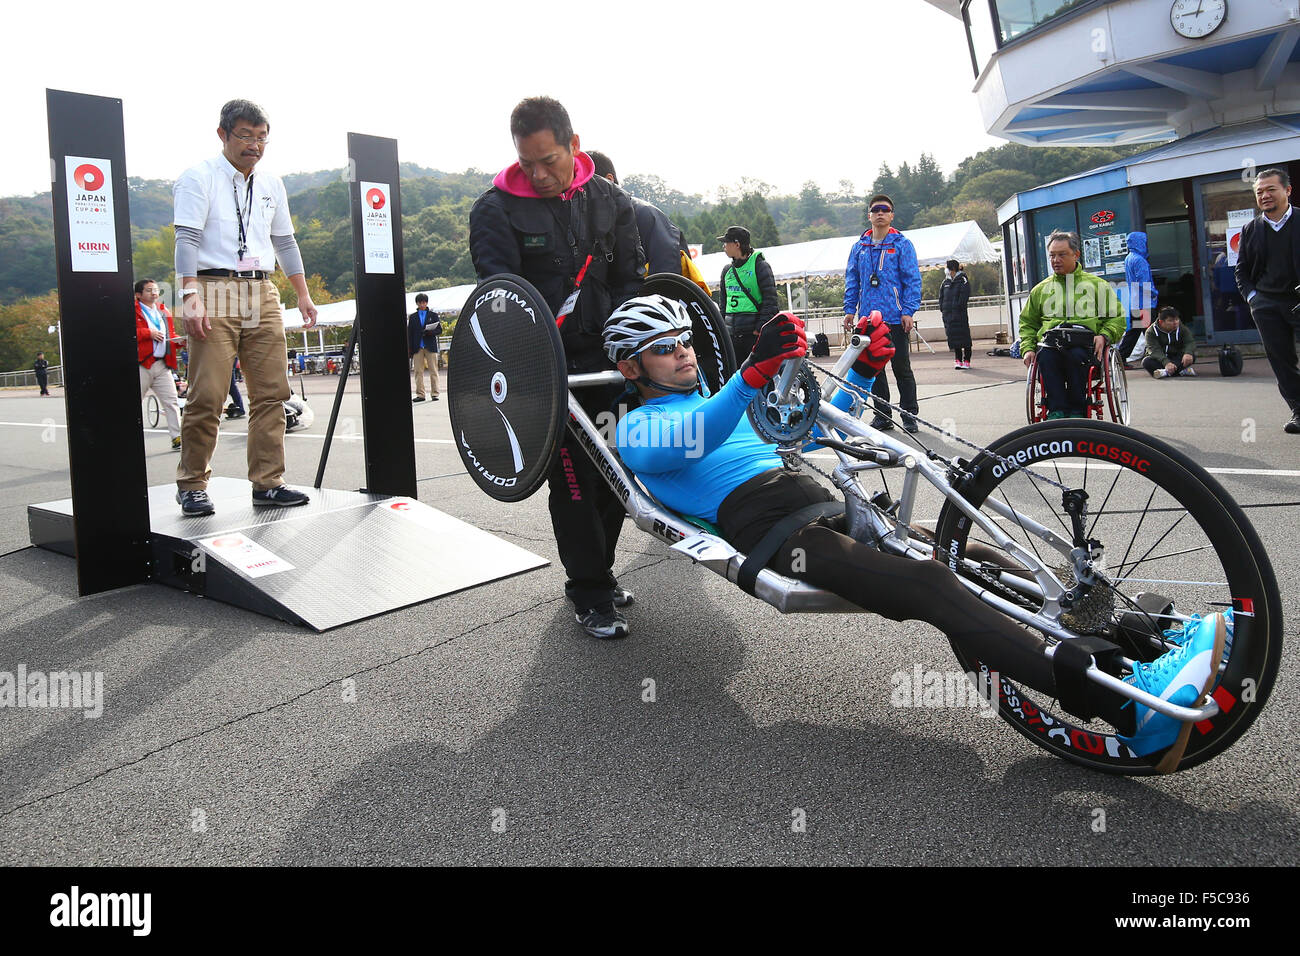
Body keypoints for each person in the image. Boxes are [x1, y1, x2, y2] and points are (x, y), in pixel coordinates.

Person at [603, 295, 1228, 769]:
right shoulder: (638, 431)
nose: (683, 350)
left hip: (829, 506)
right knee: (931, 582)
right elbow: (696, 439)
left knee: (980, 554)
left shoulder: (732, 401)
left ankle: (1148, 646)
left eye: (684, 338)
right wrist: (753, 374)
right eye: (664, 346)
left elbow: (819, 427)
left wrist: (868, 370)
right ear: (634, 367)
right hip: (777, 537)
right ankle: (1126, 706)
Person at [468, 95, 646, 639]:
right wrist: (526, 367)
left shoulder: (610, 201)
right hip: (548, 375)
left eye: (549, 160)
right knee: (571, 482)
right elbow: (497, 297)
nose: (539, 174)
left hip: (610, 367)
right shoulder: (494, 210)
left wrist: (633, 350)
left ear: (574, 145)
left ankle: (602, 572)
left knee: (618, 474)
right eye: (528, 164)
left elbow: (629, 282)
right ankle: (588, 592)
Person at [172, 99, 318, 517]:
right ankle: (193, 484)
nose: (254, 144)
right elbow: (186, 239)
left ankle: (268, 482)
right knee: (209, 393)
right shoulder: (198, 178)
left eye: (261, 137)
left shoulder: (272, 183)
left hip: (261, 289)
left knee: (272, 393)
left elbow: (285, 242)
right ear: (223, 134)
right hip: (213, 287)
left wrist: (302, 294)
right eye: (245, 135)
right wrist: (189, 295)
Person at [1019, 230, 1125, 420]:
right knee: (1047, 358)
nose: (1055, 260)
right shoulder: (1040, 289)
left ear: (1076, 254)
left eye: (1062, 254)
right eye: (1052, 255)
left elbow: (1116, 318)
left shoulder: (1097, 285)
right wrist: (1027, 348)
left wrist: (1105, 335)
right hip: (1051, 343)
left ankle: (1078, 410)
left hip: (1085, 345)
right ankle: (1057, 411)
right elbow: (1027, 323)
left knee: (1077, 356)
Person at [843, 194, 923, 432]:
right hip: (868, 319)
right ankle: (883, 415)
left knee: (902, 368)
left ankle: (909, 415)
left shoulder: (902, 245)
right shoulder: (859, 248)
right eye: (875, 209)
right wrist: (849, 310)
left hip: (895, 318)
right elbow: (852, 280)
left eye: (885, 209)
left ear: (891, 215)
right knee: (874, 371)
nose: (880, 213)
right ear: (869, 215)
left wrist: (908, 311)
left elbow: (913, 280)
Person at [1234, 168, 1300, 434]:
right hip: (1267, 305)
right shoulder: (1251, 229)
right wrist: (1253, 299)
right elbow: (1242, 270)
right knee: (1281, 361)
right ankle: (1298, 409)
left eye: (1271, 189)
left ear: (1288, 191)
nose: (1265, 195)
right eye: (1259, 192)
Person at [587, 150, 687, 277]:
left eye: (586, 185)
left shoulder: (646, 216)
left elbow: (667, 275)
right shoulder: (589, 222)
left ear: (609, 180)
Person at [134, 278, 183, 449]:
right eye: (148, 290)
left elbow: (169, 333)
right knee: (134, 403)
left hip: (162, 364)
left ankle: (177, 437)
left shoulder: (163, 310)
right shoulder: (132, 310)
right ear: (138, 295)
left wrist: (178, 341)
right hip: (142, 364)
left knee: (171, 401)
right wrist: (148, 333)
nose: (154, 293)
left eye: (155, 290)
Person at [717, 225, 778, 360]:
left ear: (737, 244)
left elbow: (771, 301)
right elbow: (723, 304)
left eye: (726, 243)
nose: (724, 246)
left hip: (753, 335)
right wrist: (722, 330)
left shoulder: (760, 266)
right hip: (732, 336)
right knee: (736, 378)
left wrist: (759, 328)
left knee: (758, 377)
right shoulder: (727, 270)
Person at [1118, 231, 1156, 367]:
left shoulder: (1129, 258)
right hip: (1144, 301)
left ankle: (1121, 357)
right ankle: (1159, 357)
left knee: (1134, 332)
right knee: (1151, 332)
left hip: (1135, 301)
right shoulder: (1140, 260)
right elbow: (1144, 281)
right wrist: (1153, 292)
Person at [1143, 306, 1197, 378]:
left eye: (1177, 319)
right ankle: (1180, 371)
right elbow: (1154, 350)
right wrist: (1166, 363)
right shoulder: (1150, 332)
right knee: (1147, 362)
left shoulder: (1182, 328)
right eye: (1170, 321)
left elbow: (1190, 341)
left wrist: (1188, 353)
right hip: (1160, 359)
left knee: (1191, 356)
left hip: (1176, 358)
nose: (1175, 323)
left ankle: (1165, 372)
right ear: (1161, 322)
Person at [938, 259, 972, 370]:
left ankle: (967, 360)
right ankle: (958, 360)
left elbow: (964, 296)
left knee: (964, 338)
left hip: (960, 315)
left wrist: (958, 308)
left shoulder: (963, 280)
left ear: (952, 269)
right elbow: (941, 297)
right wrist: (943, 310)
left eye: (947, 267)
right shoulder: (945, 282)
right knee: (954, 338)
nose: (946, 270)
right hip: (948, 316)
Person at [408, 293, 441, 402]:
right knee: (418, 371)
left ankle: (435, 393)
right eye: (420, 302)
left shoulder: (433, 315)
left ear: (426, 303)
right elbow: (410, 333)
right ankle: (420, 394)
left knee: (433, 370)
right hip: (417, 347)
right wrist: (410, 349)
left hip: (430, 345)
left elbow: (439, 330)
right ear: (417, 303)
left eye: (424, 302)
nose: (422, 304)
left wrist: (431, 332)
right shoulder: (412, 317)